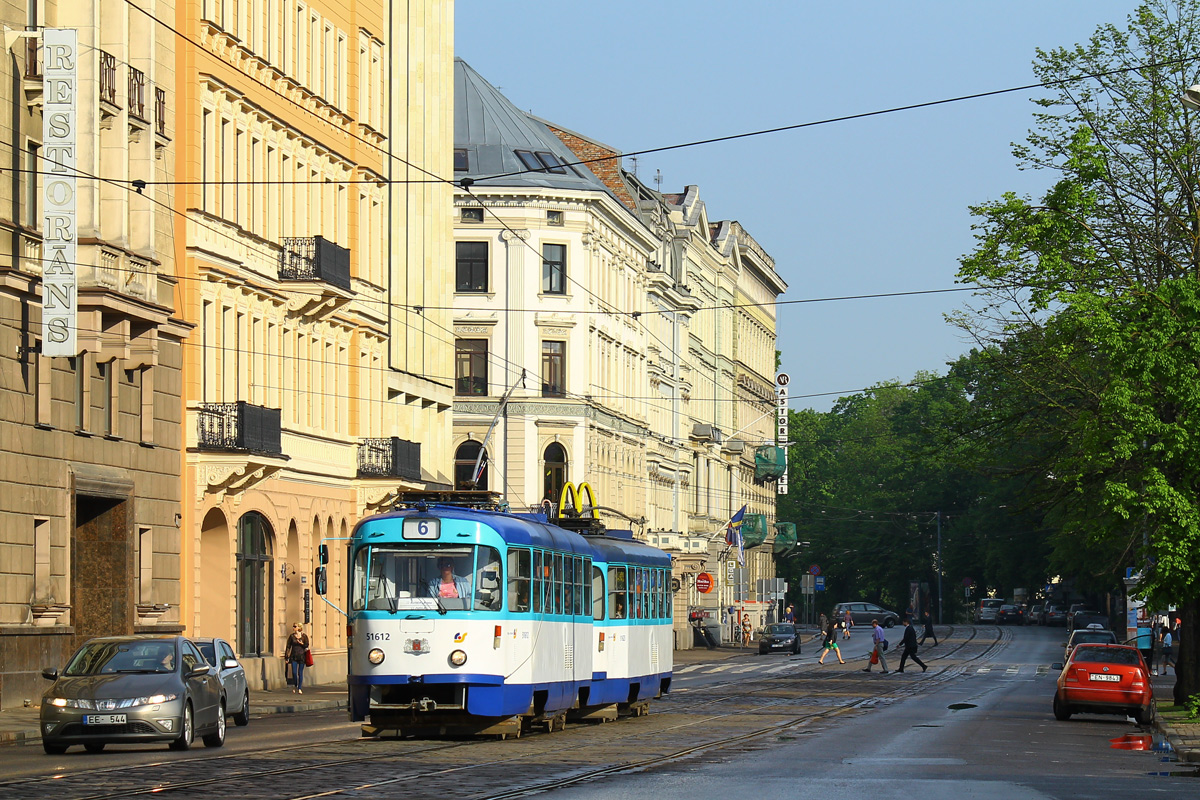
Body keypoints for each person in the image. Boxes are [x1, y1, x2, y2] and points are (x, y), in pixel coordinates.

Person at [285, 622, 311, 694]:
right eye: (293, 626)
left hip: (302, 656)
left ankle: (299, 687)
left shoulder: (304, 636)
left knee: (300, 672)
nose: (293, 628)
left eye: (295, 626)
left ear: (299, 628)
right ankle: (295, 684)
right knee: (294, 672)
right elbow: (288, 646)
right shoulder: (292, 636)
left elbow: (307, 645)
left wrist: (302, 643)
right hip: (294, 656)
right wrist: (286, 657)